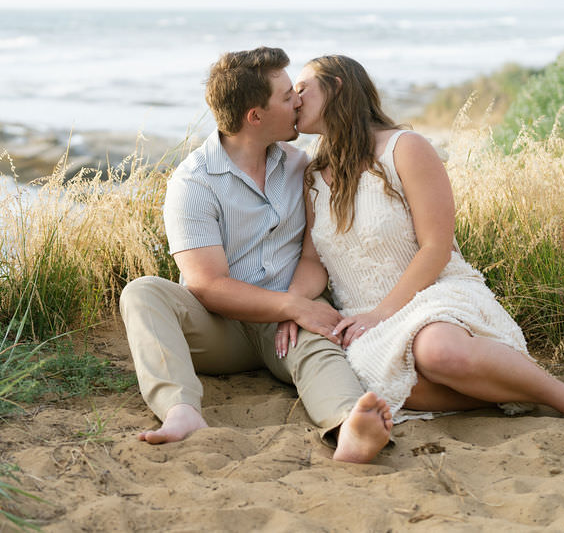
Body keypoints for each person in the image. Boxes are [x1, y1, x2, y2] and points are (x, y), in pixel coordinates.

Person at [275, 54, 564, 427]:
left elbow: (436, 247)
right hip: (362, 316)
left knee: (437, 352)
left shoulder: (404, 148)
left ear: (338, 86)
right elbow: (313, 261)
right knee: (388, 387)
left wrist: (382, 313)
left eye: (302, 89)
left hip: (432, 294)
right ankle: (499, 393)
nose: (295, 100)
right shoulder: (312, 176)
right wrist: (292, 306)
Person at [120, 47, 393, 463]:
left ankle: (347, 426)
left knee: (319, 346)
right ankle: (181, 411)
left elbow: (312, 258)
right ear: (255, 117)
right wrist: (290, 305)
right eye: (287, 97)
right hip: (220, 329)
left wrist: (296, 307)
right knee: (142, 292)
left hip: (288, 326)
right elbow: (207, 285)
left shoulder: (303, 167)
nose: (297, 101)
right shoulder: (193, 183)